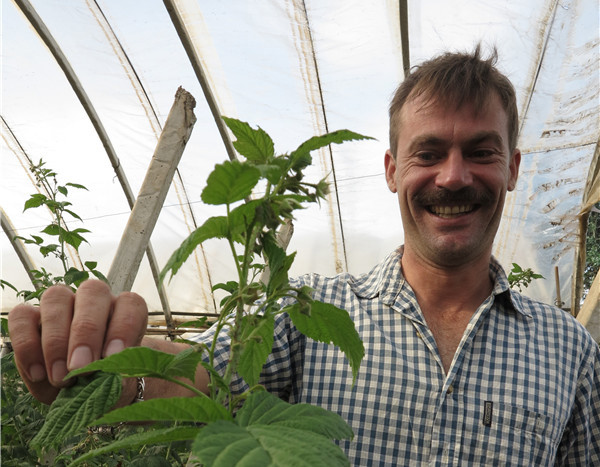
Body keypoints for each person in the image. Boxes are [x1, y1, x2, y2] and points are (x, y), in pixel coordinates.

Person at [8, 46, 599, 465]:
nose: (452, 176)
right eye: (428, 153)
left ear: (513, 168)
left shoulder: (570, 353)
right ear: (392, 171)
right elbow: (196, 380)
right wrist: (104, 361)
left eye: (480, 151)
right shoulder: (308, 313)